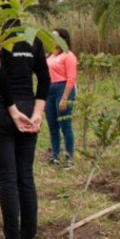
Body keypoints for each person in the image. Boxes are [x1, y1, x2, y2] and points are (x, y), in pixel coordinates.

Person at [0, 0, 50, 239]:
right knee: (26, 176)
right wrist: (36, 113)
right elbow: (45, 78)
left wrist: (13, 112)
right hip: (28, 111)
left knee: (8, 179)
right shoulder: (33, 35)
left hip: (4, 112)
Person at [45, 28, 78, 167]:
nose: (52, 39)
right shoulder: (50, 56)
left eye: (55, 37)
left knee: (65, 125)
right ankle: (56, 156)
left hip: (63, 89)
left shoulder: (68, 55)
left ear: (63, 39)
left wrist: (65, 97)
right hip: (50, 89)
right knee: (53, 126)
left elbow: (71, 78)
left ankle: (69, 157)